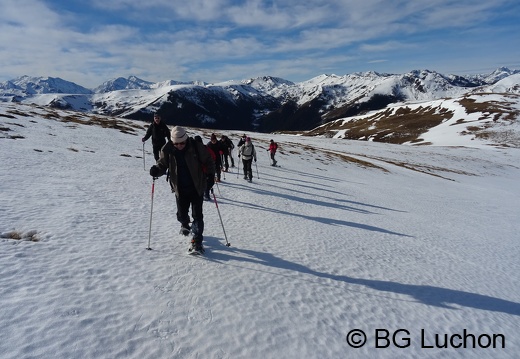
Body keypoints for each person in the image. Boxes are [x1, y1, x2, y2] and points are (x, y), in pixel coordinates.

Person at [149, 126, 215, 254]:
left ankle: (197, 241)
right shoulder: (167, 149)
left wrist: (211, 176)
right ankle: (185, 224)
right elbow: (162, 164)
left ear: (186, 139)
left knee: (197, 215)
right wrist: (156, 170)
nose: (179, 146)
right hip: (179, 188)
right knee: (181, 215)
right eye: (176, 143)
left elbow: (209, 161)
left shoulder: (196, 146)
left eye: (182, 143)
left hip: (197, 187)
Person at [194, 135, 216, 201]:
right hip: (203, 170)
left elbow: (213, 157)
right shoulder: (204, 148)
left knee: (208, 182)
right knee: (207, 182)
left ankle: (205, 194)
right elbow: (213, 157)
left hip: (206, 169)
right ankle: (205, 194)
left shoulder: (204, 148)